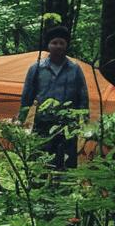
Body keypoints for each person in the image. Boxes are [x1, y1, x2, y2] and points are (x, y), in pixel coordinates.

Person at [19, 25, 89, 170]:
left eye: (61, 43)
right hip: (43, 120)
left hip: (69, 122)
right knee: (40, 156)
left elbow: (83, 94)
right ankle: (39, 187)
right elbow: (27, 96)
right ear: (48, 45)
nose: (58, 46)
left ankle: (66, 188)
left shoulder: (75, 68)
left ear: (66, 45)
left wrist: (85, 119)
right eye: (54, 43)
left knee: (67, 158)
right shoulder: (36, 68)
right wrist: (21, 118)